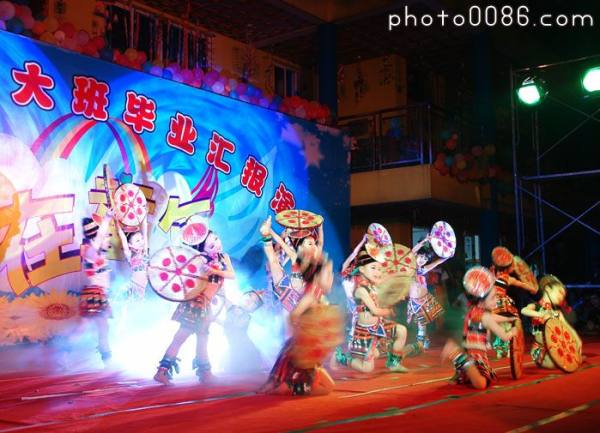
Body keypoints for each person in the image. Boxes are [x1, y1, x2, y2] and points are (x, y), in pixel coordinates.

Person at [260, 216, 340, 396]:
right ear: (301, 247)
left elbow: (325, 287)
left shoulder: (321, 264)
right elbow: (282, 246)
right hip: (300, 302)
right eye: (309, 243)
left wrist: (326, 269)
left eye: (314, 243)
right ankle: (292, 379)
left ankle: (301, 378)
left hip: (312, 307)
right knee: (292, 349)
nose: (314, 246)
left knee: (323, 383)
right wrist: (269, 233)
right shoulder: (298, 259)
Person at [154, 230, 235, 385]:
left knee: (203, 337)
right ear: (202, 249)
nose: (217, 245)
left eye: (217, 239)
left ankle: (205, 373)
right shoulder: (200, 260)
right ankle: (162, 371)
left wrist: (215, 271)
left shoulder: (224, 257)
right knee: (181, 337)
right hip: (195, 304)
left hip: (206, 306)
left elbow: (232, 275)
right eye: (211, 245)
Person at [442, 266, 518, 389]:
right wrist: (513, 331)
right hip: (477, 356)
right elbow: (504, 336)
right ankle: (460, 357)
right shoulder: (485, 317)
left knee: (472, 380)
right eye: (493, 298)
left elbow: (492, 318)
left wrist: (508, 319)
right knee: (481, 384)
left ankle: (462, 362)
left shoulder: (472, 311)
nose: (496, 301)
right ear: (482, 301)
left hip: (467, 350)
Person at [335, 249, 409, 373]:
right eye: (373, 268)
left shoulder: (374, 286)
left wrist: (397, 294)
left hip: (378, 326)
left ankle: (393, 363)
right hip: (366, 332)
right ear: (362, 269)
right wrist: (389, 311)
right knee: (367, 368)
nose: (378, 272)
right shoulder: (361, 290)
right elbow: (375, 311)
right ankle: (342, 358)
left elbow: (385, 293)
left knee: (401, 331)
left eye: (380, 269)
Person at [521, 274, 582, 369]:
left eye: (564, 295)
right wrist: (540, 314)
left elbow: (568, 328)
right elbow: (524, 310)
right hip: (540, 349)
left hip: (556, 348)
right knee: (554, 364)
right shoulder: (537, 306)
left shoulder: (557, 313)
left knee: (568, 362)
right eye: (560, 292)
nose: (562, 297)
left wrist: (578, 340)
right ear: (548, 289)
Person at [79, 211, 115, 364]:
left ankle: (64, 353)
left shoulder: (97, 253)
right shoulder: (90, 251)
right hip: (95, 294)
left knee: (97, 327)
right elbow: (100, 237)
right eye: (105, 236)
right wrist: (107, 219)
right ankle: (107, 359)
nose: (107, 238)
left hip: (99, 293)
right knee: (99, 327)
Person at [489, 246, 537, 358]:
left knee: (503, 326)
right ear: (507, 268)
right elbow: (521, 284)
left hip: (497, 304)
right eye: (512, 266)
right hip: (498, 304)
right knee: (504, 326)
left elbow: (521, 284)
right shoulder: (502, 277)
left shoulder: (499, 275)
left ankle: (503, 348)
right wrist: (532, 288)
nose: (514, 268)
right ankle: (504, 348)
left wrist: (531, 288)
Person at [406, 236, 446, 350]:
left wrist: (448, 254)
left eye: (425, 259)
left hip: (424, 300)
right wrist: (423, 241)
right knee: (419, 323)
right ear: (416, 256)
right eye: (421, 256)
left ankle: (420, 344)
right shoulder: (410, 267)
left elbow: (437, 262)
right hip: (414, 301)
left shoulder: (423, 269)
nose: (422, 260)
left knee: (421, 323)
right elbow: (411, 252)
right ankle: (425, 339)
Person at [116, 217, 149, 300]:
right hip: (134, 287)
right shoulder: (130, 255)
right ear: (130, 245)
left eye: (141, 239)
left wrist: (144, 216)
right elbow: (123, 238)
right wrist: (116, 222)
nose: (141, 242)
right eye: (137, 241)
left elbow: (145, 233)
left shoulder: (145, 252)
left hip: (144, 288)